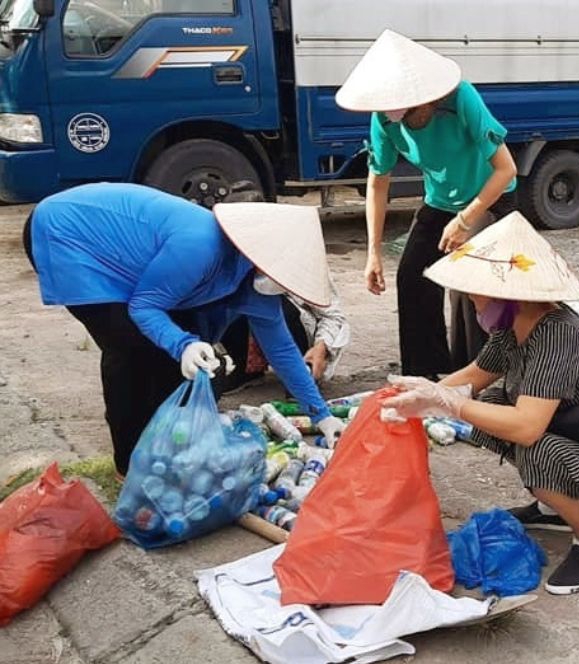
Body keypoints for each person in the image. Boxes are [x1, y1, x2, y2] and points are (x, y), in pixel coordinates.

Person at [383, 212, 579, 596]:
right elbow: (476, 376)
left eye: (476, 292)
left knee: (534, 443)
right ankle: (556, 507)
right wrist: (419, 396)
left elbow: (527, 426)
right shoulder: (513, 325)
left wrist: (448, 402)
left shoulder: (559, 335)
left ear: (507, 295)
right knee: (490, 404)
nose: (471, 300)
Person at [24, 182, 343, 477]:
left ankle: (165, 449)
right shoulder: (202, 245)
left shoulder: (257, 284)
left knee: (167, 357)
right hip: (67, 233)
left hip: (128, 259)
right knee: (129, 347)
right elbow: (144, 307)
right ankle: (130, 464)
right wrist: (184, 344)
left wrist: (321, 415)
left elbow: (284, 351)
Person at [335, 29, 519, 377]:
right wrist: (373, 252)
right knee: (412, 275)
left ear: (429, 98)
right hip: (440, 201)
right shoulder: (386, 120)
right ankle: (427, 374)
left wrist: (466, 220)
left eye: (409, 113)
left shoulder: (463, 98)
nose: (404, 122)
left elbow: (506, 169)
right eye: (396, 116)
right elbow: (378, 182)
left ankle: (479, 377)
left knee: (468, 280)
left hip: (491, 198)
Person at [216, 183, 351, 389]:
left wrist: (321, 349)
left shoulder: (297, 255)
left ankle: (302, 372)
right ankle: (246, 368)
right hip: (247, 333)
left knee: (274, 303)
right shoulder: (222, 255)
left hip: (297, 336)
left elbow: (333, 316)